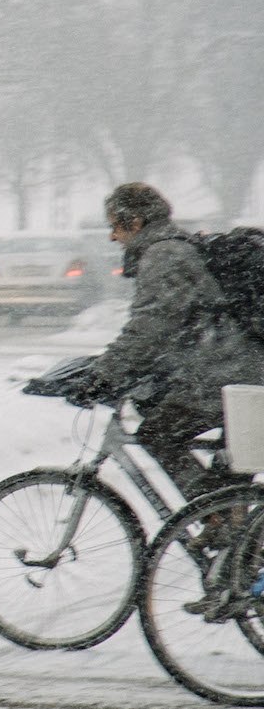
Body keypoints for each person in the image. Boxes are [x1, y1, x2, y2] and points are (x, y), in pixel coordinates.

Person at [90, 182, 264, 504]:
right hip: (244, 374)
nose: (112, 236)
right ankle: (230, 528)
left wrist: (104, 375)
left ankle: (215, 516)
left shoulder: (164, 255)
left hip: (234, 376)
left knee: (159, 434)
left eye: (115, 225)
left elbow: (150, 327)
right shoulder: (175, 247)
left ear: (136, 222)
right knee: (230, 473)